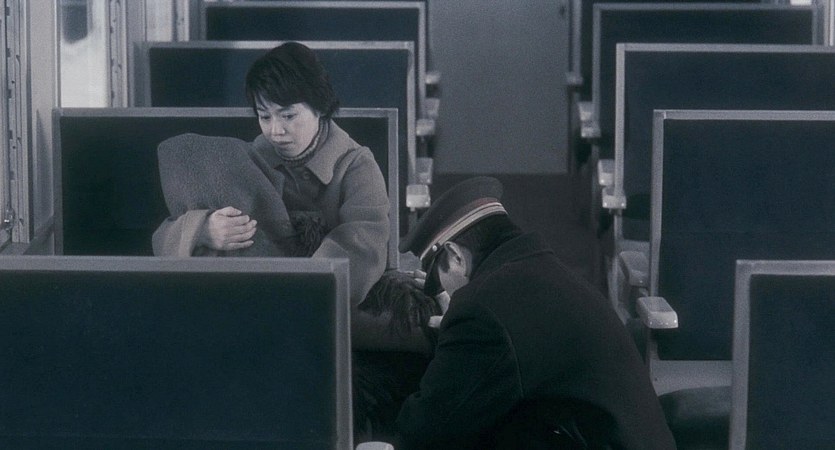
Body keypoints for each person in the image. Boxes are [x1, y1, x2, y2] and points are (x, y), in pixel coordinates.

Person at [395, 176, 676, 449]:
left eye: (439, 281)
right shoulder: (540, 273)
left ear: (455, 256)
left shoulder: (484, 307)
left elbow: (426, 430)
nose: (447, 293)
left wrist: (458, 331)